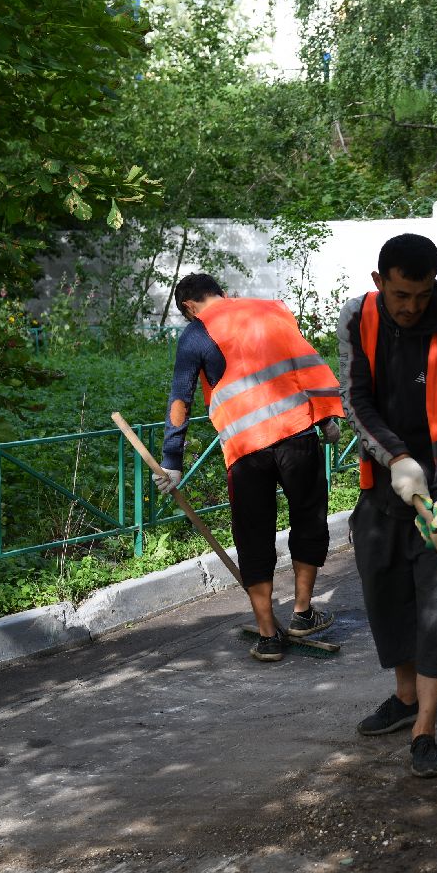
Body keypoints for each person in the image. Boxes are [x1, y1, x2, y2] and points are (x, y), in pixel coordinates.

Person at [338, 234, 437, 779]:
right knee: (388, 600)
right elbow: (354, 399)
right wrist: (396, 458)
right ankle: (403, 699)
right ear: (380, 282)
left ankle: (424, 729)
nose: (410, 307)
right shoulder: (358, 318)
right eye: (401, 294)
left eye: (421, 295)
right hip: (383, 489)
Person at [158, 273, 344, 662]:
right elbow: (304, 363)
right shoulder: (271, 310)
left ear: (188, 307)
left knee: (253, 534)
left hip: (246, 451)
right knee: (308, 519)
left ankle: (267, 636)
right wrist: (327, 415)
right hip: (297, 435)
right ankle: (302, 613)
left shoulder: (195, 335)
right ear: (222, 293)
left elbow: (181, 399)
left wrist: (172, 462)